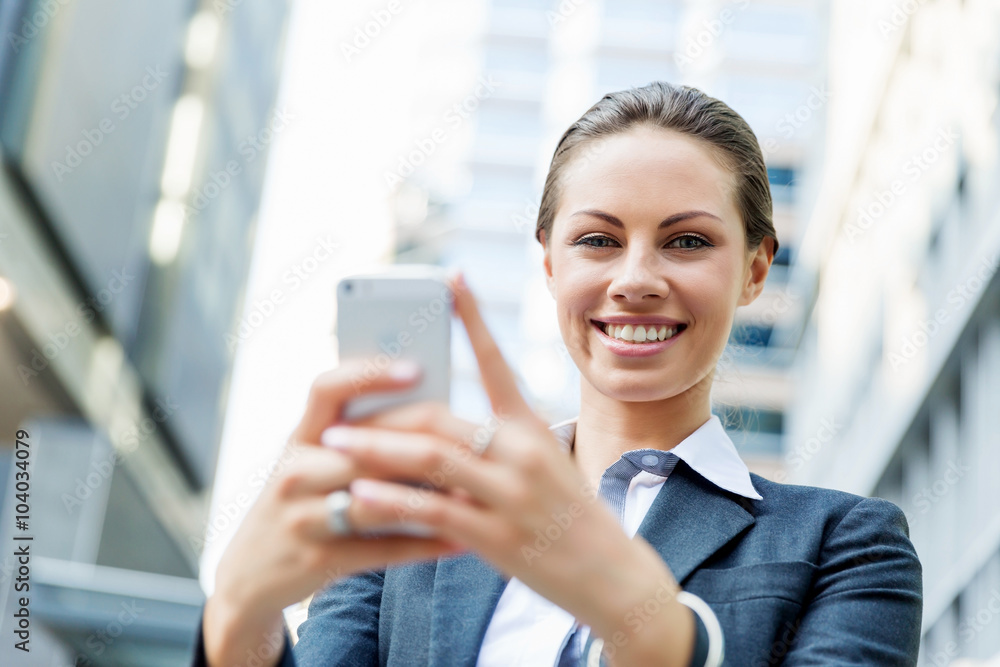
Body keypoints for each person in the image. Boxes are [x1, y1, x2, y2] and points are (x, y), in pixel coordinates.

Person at [193, 81, 922, 666]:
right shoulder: (420, 516)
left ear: (755, 269)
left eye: (688, 240)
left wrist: (656, 632)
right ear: (549, 263)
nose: (636, 278)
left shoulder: (845, 545)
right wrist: (240, 620)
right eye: (598, 240)